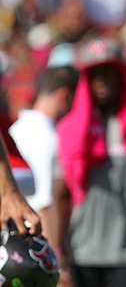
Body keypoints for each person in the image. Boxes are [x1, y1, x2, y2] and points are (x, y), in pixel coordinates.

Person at [54, 36, 126, 287]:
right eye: (94, 73)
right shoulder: (70, 130)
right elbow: (60, 195)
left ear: (121, 75)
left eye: (108, 72)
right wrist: (59, 253)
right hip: (83, 249)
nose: (101, 79)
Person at [10, 65, 79, 241]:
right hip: (31, 242)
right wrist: (55, 259)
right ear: (65, 96)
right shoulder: (48, 138)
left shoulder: (17, 128)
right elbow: (44, 204)